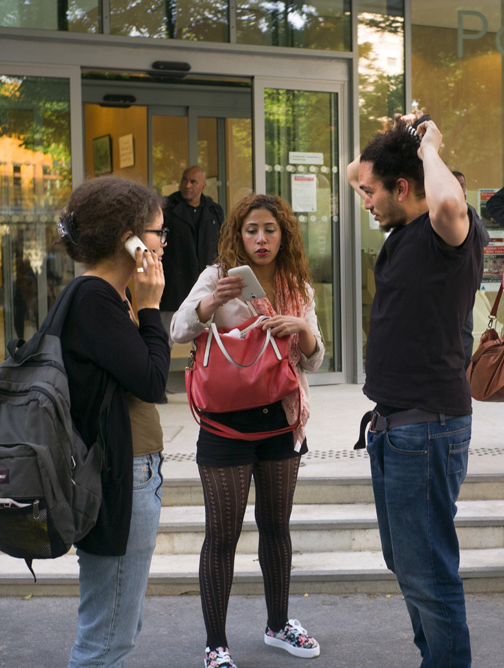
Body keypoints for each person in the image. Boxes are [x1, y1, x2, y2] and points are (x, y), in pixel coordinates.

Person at [348, 114, 482, 667]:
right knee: (406, 562)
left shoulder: (445, 231)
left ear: (403, 187)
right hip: (397, 426)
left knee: (427, 571)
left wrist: (428, 145)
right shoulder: (404, 231)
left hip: (426, 428)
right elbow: (354, 167)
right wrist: (397, 138)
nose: (365, 199)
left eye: (373, 192)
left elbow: (448, 203)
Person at [171, 194, 324, 668]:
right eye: (252, 229)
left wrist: (303, 327)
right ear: (239, 233)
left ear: (284, 235)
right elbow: (177, 330)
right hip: (223, 426)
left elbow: (315, 359)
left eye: (270, 230)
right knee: (222, 536)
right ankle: (216, 645)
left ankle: (278, 626)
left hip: (280, 421)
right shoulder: (217, 276)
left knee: (276, 528)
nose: (261, 239)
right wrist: (206, 306)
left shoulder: (297, 284)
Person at [56, 176, 170, 667]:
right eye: (158, 232)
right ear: (129, 237)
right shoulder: (95, 298)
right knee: (107, 639)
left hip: (132, 472)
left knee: (118, 624)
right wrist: (150, 309)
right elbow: (151, 381)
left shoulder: (101, 297)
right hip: (122, 478)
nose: (163, 243)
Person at [161, 165, 225, 336]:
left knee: (207, 336)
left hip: (204, 285)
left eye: (193, 181)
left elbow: (222, 245)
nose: (187, 185)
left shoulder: (214, 211)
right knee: (166, 336)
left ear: (203, 186)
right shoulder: (166, 208)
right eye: (184, 180)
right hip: (174, 286)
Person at [453, 169, 490, 367]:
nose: (460, 189)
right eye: (456, 185)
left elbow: (485, 238)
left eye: (462, 185)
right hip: (449, 284)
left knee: (466, 332)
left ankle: (464, 373)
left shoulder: (469, 211)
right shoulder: (442, 212)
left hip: (468, 283)